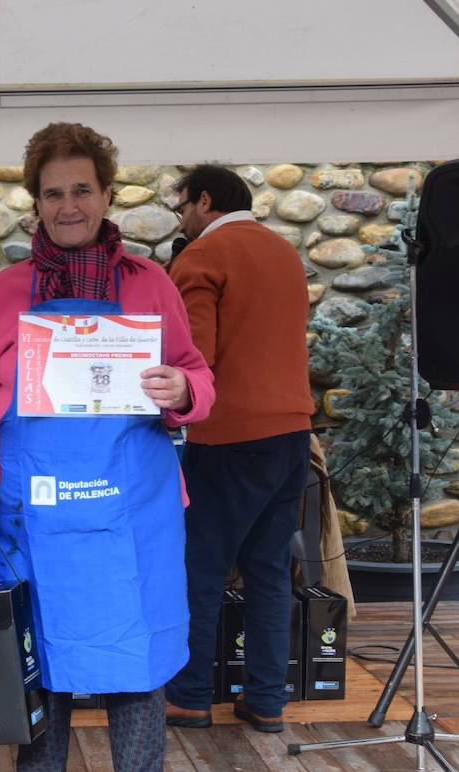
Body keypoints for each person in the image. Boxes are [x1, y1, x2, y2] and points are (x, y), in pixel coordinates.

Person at [0, 123, 214, 772]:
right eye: (53, 192)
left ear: (106, 196)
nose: (68, 206)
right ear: (35, 200)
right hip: (34, 515)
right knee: (41, 666)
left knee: (135, 670)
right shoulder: (0, 295)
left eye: (82, 190)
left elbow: (196, 375)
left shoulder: (150, 284)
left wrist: (182, 393)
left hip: (129, 514)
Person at [163, 164, 314, 733]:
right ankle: (267, 701)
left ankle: (190, 697)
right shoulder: (284, 252)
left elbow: (195, 357)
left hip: (228, 436)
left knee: (201, 569)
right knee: (270, 571)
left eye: (182, 207)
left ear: (205, 201)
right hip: (292, 432)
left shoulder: (202, 256)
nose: (181, 219)